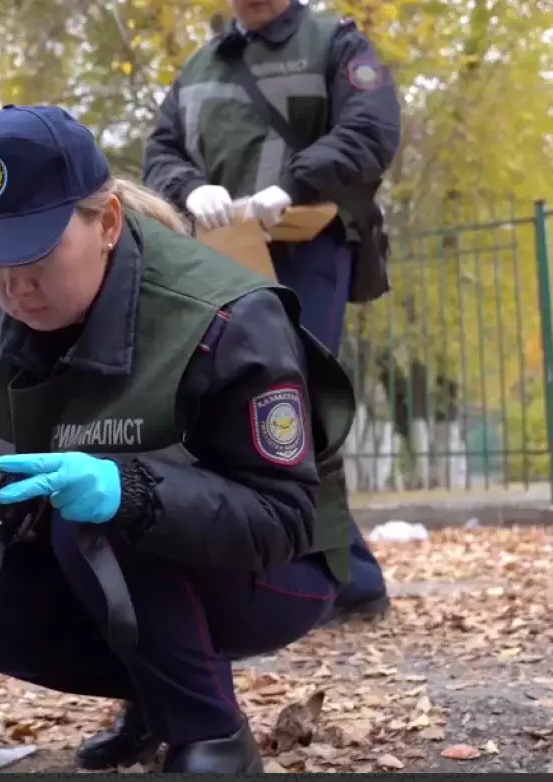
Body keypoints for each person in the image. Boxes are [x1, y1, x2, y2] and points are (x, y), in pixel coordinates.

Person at [0, 105, 357, 773]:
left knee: (101, 522)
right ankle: (157, 695)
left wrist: (124, 487)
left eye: (36, 252)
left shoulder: (228, 317)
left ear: (106, 223)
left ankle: (210, 733)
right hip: (129, 558)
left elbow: (284, 518)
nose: (14, 286)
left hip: (280, 570)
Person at [142, 0, 401, 626]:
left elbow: (372, 128)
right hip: (222, 253)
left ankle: (340, 575)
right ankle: (339, 572)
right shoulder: (200, 65)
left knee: (298, 401)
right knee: (235, 402)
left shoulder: (333, 43)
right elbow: (161, 151)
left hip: (308, 243)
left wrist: (297, 183)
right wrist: (186, 187)